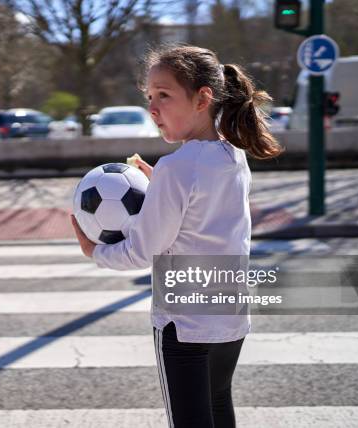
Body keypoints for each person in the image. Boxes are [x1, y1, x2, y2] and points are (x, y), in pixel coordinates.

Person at [71, 45, 282, 428]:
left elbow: (140, 251)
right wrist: (162, 184)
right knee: (219, 406)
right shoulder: (233, 156)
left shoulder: (176, 167)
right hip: (229, 316)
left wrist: (95, 251)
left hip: (185, 325)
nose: (153, 108)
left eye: (163, 95)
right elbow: (206, 213)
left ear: (203, 98)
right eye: (149, 97)